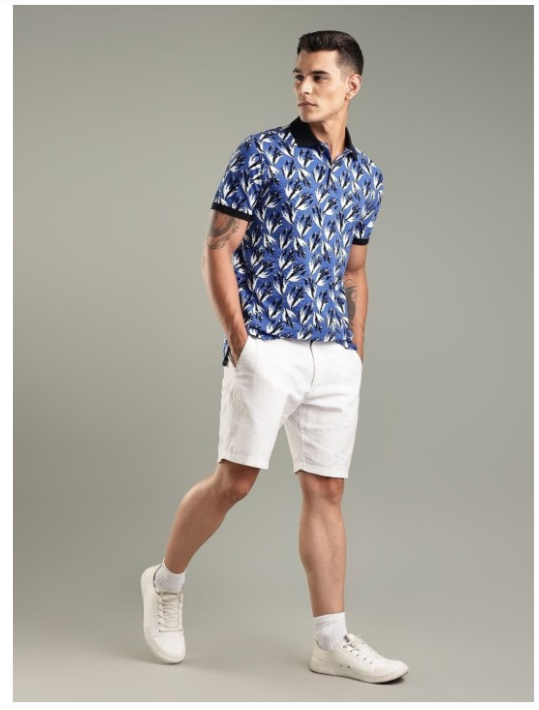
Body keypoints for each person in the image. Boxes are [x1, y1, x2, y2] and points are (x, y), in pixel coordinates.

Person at [141, 30, 408, 684]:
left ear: (351, 84)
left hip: (332, 356)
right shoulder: (261, 153)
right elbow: (218, 249)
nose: (304, 88)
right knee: (235, 481)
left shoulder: (367, 176)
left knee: (326, 490)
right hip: (267, 346)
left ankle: (330, 641)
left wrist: (355, 351)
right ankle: (165, 583)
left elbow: (354, 270)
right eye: (298, 77)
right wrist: (243, 344)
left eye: (318, 77)